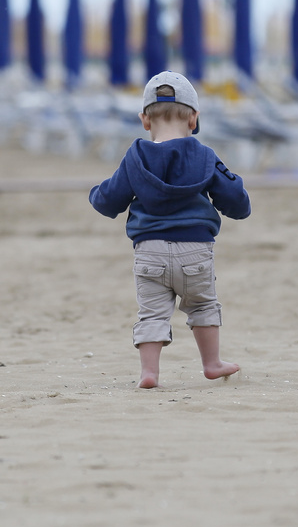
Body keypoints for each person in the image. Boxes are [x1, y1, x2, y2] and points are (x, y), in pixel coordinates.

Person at [89, 71, 251, 389]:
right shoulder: (205, 157)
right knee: (203, 305)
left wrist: (96, 193)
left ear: (145, 120)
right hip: (195, 250)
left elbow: (108, 200)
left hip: (149, 251)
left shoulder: (135, 158)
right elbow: (236, 200)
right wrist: (238, 200)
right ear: (194, 119)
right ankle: (212, 363)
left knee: (151, 313)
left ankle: (149, 372)